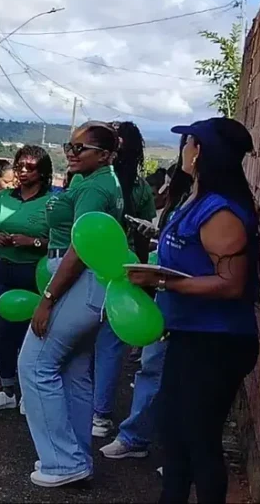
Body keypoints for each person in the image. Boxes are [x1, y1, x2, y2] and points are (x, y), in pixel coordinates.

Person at [127, 117, 260, 503]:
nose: (183, 149)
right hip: (191, 335)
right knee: (175, 436)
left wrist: (165, 283)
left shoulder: (221, 212)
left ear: (198, 150)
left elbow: (231, 283)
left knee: (200, 440)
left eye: (187, 142)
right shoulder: (195, 199)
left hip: (218, 342)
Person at [17, 122, 125, 488]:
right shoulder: (92, 179)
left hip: (81, 280)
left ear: (106, 155)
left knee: (33, 364)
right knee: (75, 373)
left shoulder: (96, 187)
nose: (71, 153)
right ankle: (76, 459)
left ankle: (62, 462)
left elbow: (81, 249)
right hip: (91, 284)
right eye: (70, 145)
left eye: (81, 149)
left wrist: (47, 299)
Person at [100, 155, 192, 461]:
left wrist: (163, 280)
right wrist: (155, 236)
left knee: (187, 381)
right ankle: (135, 437)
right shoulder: (186, 200)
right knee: (151, 369)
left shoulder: (214, 207)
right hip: (167, 301)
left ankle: (177, 455)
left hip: (192, 307)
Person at [92, 121, 156, 438]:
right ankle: (100, 415)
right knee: (111, 345)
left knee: (79, 342)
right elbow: (144, 240)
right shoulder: (141, 189)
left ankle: (80, 404)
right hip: (126, 270)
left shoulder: (96, 182)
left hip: (90, 265)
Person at [0, 145, 52, 411]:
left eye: (30, 167)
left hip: (34, 273)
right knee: (5, 332)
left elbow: (60, 243)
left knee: (33, 334)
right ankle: (7, 389)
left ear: (43, 172)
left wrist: (31, 242)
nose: (22, 171)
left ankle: (28, 393)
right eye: (19, 166)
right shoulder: (3, 198)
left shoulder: (51, 203)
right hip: (3, 270)